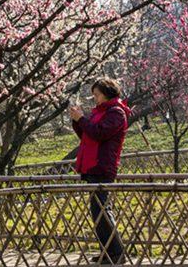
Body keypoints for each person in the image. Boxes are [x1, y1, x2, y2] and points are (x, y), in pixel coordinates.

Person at [70, 77, 131, 265]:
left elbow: (100, 134)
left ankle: (115, 252)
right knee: (98, 211)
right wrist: (78, 121)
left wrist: (82, 120)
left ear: (108, 93)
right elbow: (87, 136)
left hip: (102, 165)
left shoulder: (116, 113)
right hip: (92, 165)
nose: (95, 99)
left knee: (102, 210)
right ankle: (108, 250)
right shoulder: (100, 112)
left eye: (97, 95)